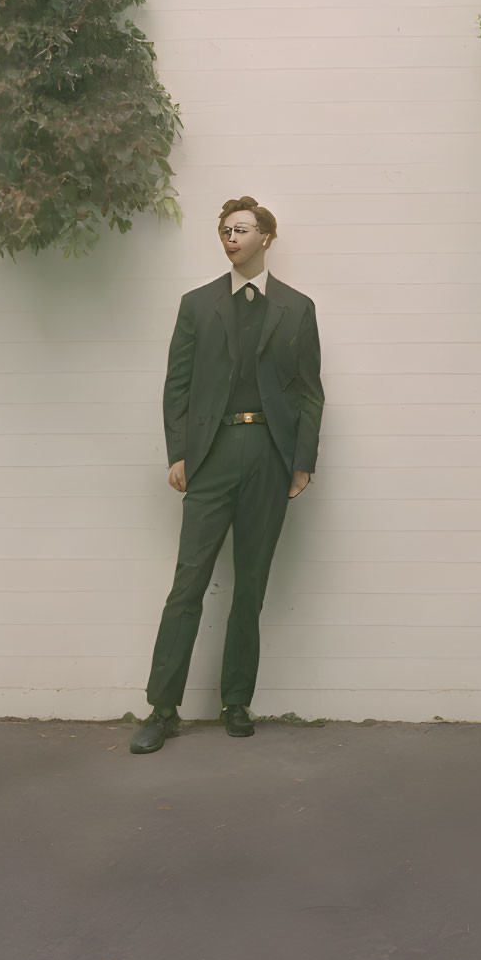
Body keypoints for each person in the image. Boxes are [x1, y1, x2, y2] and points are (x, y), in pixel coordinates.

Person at [131, 196, 324, 754]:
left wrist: (302, 462)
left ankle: (236, 701)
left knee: (251, 588)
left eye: (241, 229)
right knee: (187, 584)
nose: (230, 237)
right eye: (223, 230)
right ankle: (162, 708)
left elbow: (310, 394)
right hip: (211, 456)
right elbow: (178, 384)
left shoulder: (298, 308)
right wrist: (178, 452)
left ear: (267, 237)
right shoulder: (197, 304)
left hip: (269, 454)